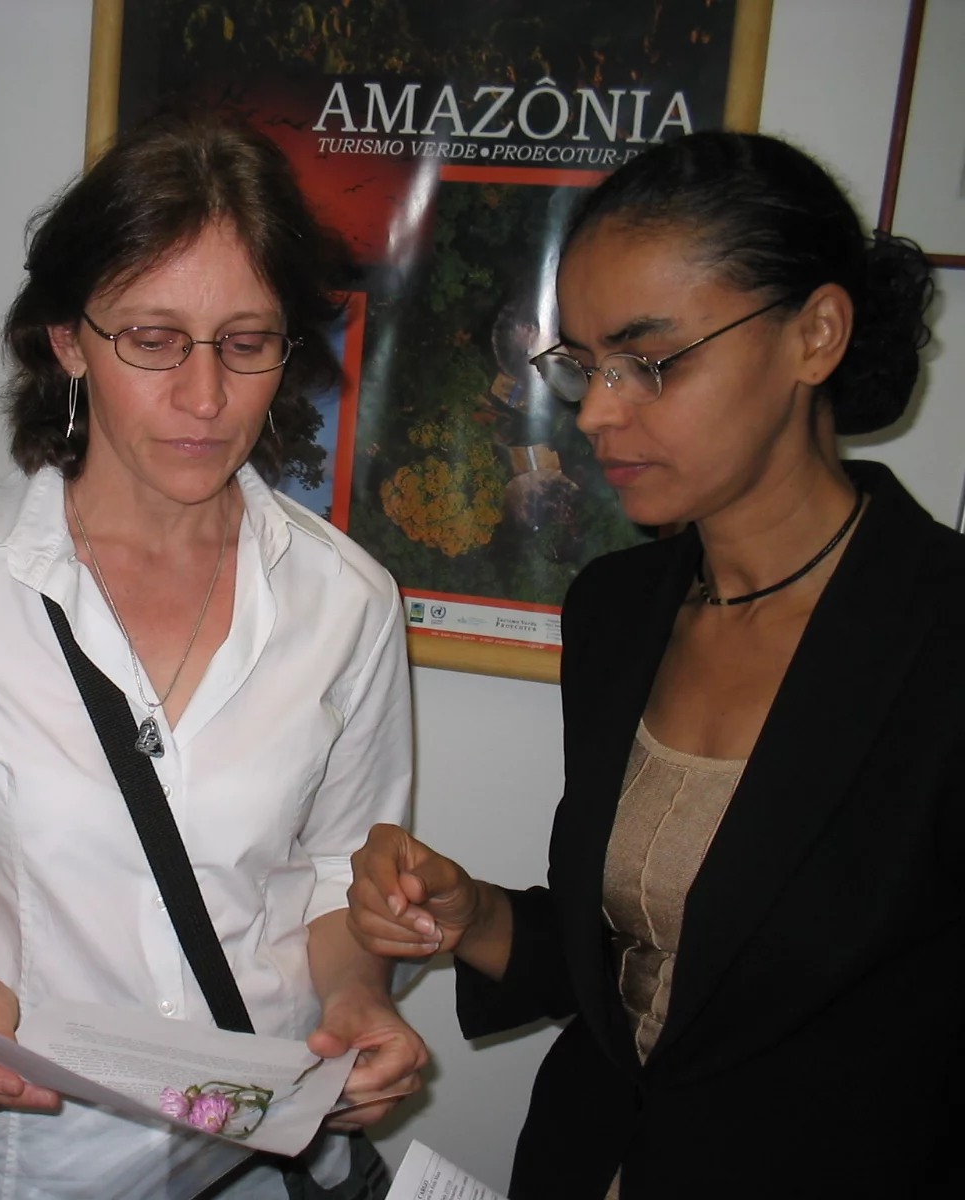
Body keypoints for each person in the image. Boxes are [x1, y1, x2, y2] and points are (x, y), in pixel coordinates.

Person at [0, 112, 425, 1200]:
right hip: (39, 1158)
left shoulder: (347, 601)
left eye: (246, 342)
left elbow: (342, 869)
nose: (205, 397)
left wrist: (357, 1001)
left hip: (259, 1148)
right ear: (68, 340)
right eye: (152, 339)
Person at [347, 130, 960, 1198]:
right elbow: (638, 955)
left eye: (651, 362)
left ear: (814, 334)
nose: (596, 411)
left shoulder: (939, 636)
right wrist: (474, 915)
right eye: (585, 366)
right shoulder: (620, 610)